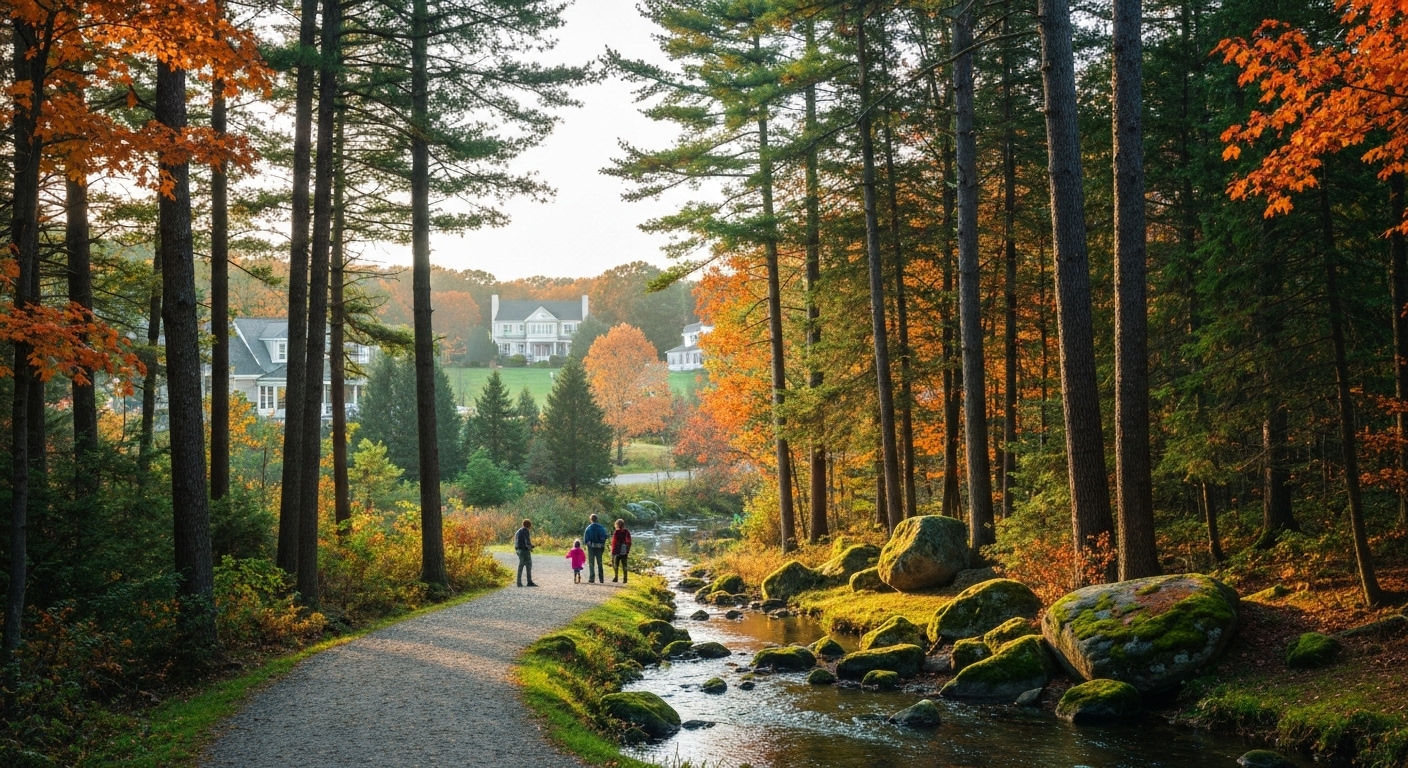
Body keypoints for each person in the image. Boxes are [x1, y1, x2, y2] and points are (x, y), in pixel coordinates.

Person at [583, 513, 608, 584]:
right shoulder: (602, 528)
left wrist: (589, 544)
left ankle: (592, 578)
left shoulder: (588, 528)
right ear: (597, 519)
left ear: (591, 520)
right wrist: (602, 544)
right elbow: (605, 537)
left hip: (591, 548)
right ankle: (601, 579)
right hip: (600, 547)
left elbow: (586, 540)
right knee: (600, 563)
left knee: (591, 563)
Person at [514, 519, 537, 587]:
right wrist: (531, 547)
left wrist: (517, 550)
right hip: (524, 551)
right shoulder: (526, 531)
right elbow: (527, 542)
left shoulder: (518, 531)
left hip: (518, 550)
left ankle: (519, 583)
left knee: (520, 566)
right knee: (528, 565)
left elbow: (517, 542)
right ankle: (529, 582)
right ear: (528, 525)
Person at [610, 518, 632, 584]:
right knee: (624, 565)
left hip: (617, 551)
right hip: (624, 551)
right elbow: (629, 542)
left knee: (615, 564)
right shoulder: (626, 532)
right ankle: (625, 578)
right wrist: (627, 549)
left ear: (617, 525)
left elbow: (614, 542)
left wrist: (612, 551)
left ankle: (616, 577)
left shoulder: (616, 532)